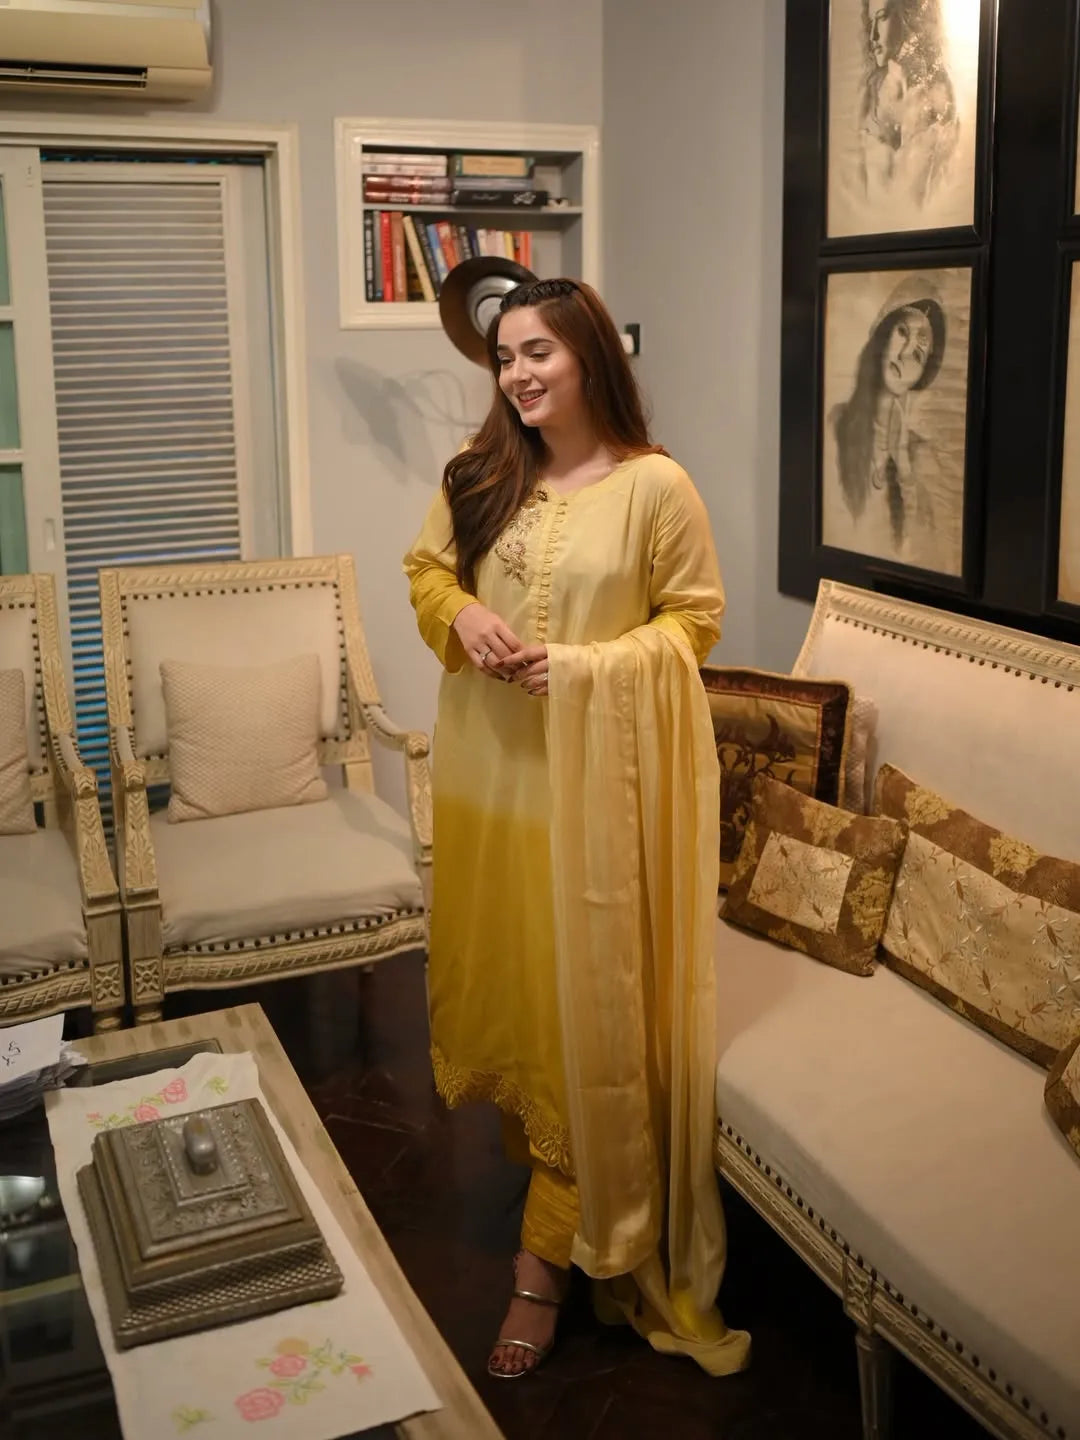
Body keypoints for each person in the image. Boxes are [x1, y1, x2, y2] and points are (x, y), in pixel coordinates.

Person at [403, 278, 750, 1382]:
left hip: (595, 801)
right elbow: (425, 572)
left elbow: (694, 623)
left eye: (538, 350)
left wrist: (591, 668)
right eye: (505, 356)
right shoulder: (481, 472)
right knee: (511, 991)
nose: (518, 374)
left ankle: (545, 1263)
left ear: (590, 353)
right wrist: (462, 612)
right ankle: (554, 1172)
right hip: (489, 786)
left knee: (577, 1017)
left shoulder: (656, 488)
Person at [825, 276, 950, 570]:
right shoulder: (835, 425)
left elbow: (914, 554)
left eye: (918, 354)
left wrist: (903, 462)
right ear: (883, 332)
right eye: (902, 332)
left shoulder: (921, 456)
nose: (905, 353)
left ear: (921, 376)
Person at [858, 0, 959, 209]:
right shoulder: (872, 96)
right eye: (871, 22)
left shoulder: (936, 101)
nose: (873, 35)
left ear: (908, 18)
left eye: (882, 17)